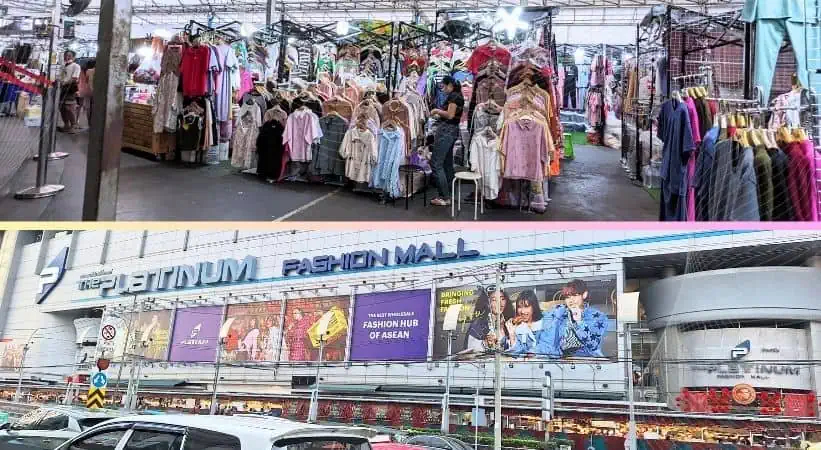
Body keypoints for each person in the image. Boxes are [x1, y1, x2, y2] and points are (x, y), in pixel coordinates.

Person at [535, 279, 609, 358]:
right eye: (568, 297)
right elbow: (542, 334)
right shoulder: (558, 312)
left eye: (575, 295)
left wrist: (580, 322)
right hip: (560, 360)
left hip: (586, 360)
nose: (571, 300)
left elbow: (593, 345)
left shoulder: (598, 317)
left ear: (584, 294)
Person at [429, 76, 464, 206]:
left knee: (436, 163)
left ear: (450, 85)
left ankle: (444, 197)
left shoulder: (454, 96)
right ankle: (449, 193)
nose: (443, 90)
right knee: (447, 163)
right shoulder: (457, 95)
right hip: (451, 130)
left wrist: (437, 111)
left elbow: (450, 115)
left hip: (446, 131)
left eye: (444, 86)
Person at [463, 285, 515, 354]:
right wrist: (484, 343)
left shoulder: (510, 321)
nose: (499, 303)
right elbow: (469, 348)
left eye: (502, 299)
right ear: (487, 303)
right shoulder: (479, 324)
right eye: (494, 300)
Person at [506, 289, 544, 355]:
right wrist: (512, 334)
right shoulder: (518, 328)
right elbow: (515, 354)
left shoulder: (544, 324)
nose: (523, 311)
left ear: (534, 307)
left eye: (526, 307)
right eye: (519, 307)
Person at [59, 50, 81, 133]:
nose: (67, 57)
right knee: (61, 108)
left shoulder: (76, 66)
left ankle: (73, 125)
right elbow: (61, 76)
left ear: (74, 57)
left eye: (69, 55)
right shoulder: (63, 66)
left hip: (70, 88)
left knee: (69, 108)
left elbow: (74, 78)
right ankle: (66, 125)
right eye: (66, 55)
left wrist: (64, 83)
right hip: (62, 88)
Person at [77, 59, 95, 129]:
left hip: (83, 90)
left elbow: (84, 81)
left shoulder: (85, 71)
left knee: (83, 106)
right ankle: (90, 123)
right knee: (90, 107)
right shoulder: (92, 71)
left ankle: (77, 121)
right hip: (92, 91)